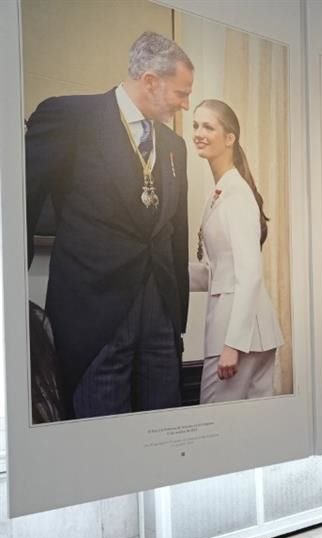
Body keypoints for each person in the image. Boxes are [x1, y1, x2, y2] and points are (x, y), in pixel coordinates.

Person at [25, 32, 193, 419]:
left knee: (162, 431)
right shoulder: (70, 118)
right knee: (99, 435)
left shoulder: (173, 146)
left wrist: (176, 318)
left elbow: (176, 234)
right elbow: (24, 198)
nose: (186, 104)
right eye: (181, 93)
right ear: (150, 81)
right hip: (92, 313)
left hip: (159, 318)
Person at [189, 100, 283, 403]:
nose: (199, 133)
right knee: (249, 432)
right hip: (251, 335)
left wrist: (233, 345)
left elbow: (249, 274)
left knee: (217, 425)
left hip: (238, 337)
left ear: (229, 138)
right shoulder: (221, 192)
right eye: (195, 126)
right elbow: (220, 271)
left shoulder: (238, 195)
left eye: (208, 126)